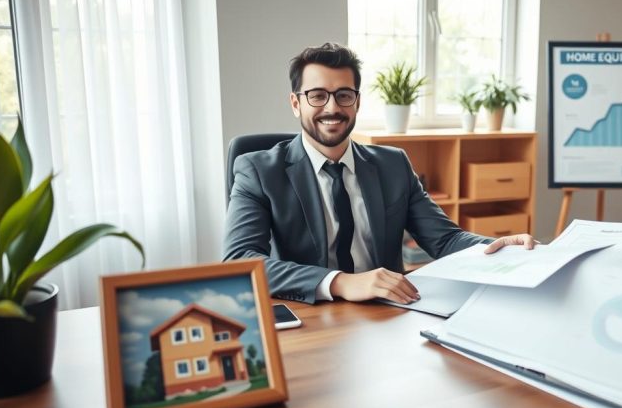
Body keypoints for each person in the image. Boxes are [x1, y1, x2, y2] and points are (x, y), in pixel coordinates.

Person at [223, 42, 537, 305]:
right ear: (296, 103)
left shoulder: (393, 164)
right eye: (317, 95)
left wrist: (500, 250)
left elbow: (445, 239)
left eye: (344, 95)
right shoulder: (258, 170)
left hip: (387, 313)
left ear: (356, 102)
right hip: (312, 313)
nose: (332, 107)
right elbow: (240, 261)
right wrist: (340, 283)